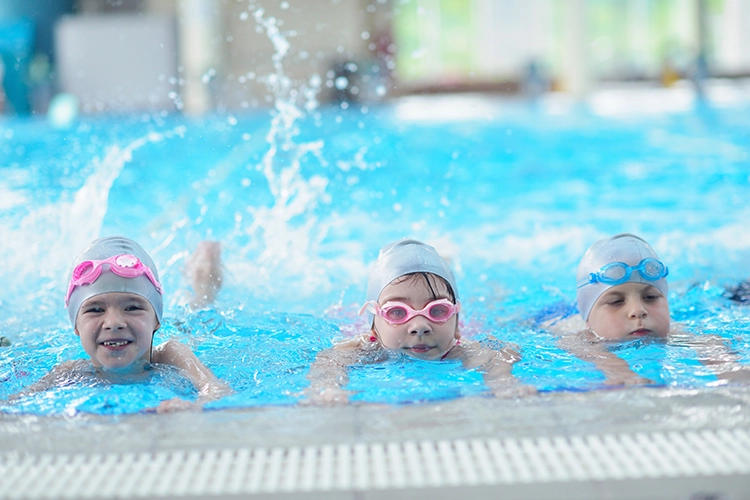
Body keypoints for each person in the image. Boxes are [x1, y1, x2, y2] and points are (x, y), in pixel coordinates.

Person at [9, 236, 231, 412]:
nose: (114, 323)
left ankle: (204, 270)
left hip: (188, 332)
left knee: (199, 308)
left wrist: (196, 407)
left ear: (156, 320)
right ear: (75, 326)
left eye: (133, 307)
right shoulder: (70, 372)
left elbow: (217, 389)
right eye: (95, 309)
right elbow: (15, 403)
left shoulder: (171, 354)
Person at [305, 238, 533, 405]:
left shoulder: (461, 351)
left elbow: (499, 353)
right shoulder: (364, 348)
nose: (420, 326)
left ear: (456, 322)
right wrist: (326, 388)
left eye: (437, 310)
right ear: (374, 324)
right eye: (397, 312)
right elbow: (329, 361)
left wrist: (502, 382)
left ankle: (445, 257)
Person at [544, 233, 748, 385]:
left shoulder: (677, 331)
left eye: (650, 297)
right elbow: (594, 355)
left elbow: (710, 345)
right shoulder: (579, 338)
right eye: (616, 302)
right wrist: (621, 373)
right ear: (588, 319)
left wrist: (729, 368)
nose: (638, 310)